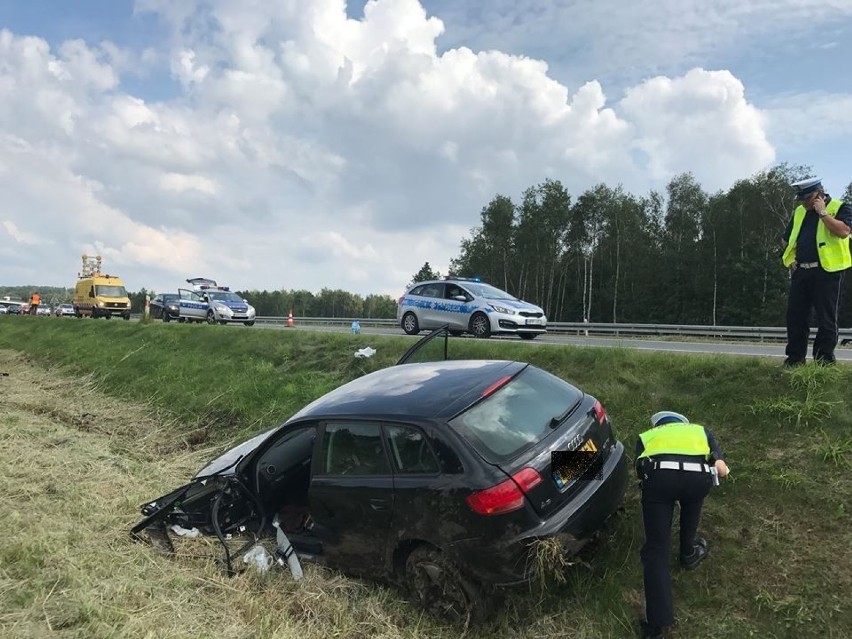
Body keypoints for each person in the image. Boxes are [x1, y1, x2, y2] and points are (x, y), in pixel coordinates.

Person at [635, 411, 729, 639]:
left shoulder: (645, 436)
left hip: (659, 481)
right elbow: (722, 468)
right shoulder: (700, 431)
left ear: (658, 426)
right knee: (692, 502)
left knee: (657, 549)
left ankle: (658, 625)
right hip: (697, 480)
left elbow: (640, 469)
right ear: (683, 423)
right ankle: (688, 552)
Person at [781, 177, 852, 366]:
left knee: (826, 318)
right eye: (802, 199)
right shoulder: (800, 212)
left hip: (827, 272)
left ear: (820, 193)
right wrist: (791, 261)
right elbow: (788, 239)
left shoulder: (840, 207)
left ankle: (824, 361)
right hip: (801, 271)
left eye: (808, 198)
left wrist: (823, 214)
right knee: (795, 317)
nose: (804, 203)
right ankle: (795, 360)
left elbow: (844, 231)